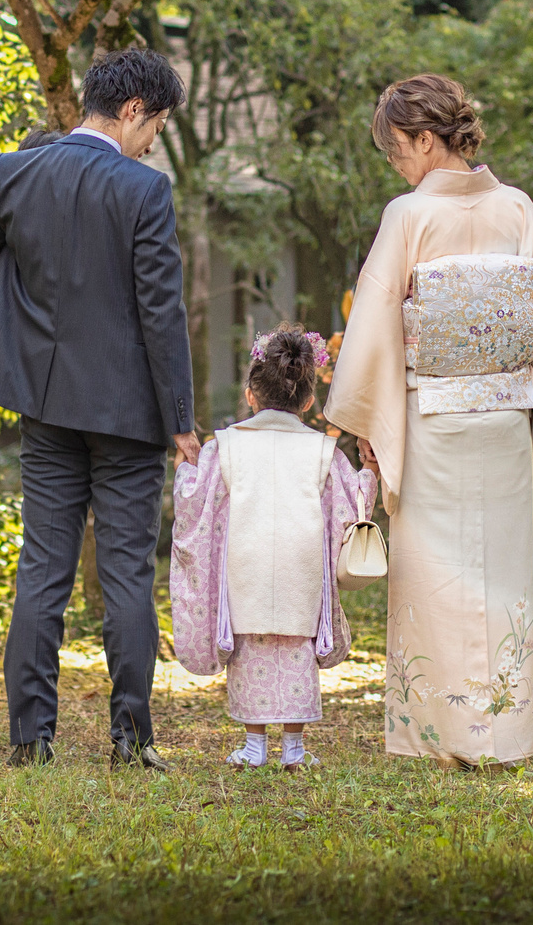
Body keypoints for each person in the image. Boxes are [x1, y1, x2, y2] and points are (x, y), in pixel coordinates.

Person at [323, 74, 533, 768]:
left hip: (432, 419)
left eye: (399, 151)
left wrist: (369, 427)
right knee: (499, 575)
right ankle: (503, 734)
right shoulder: (519, 208)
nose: (400, 166)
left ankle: (439, 737)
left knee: (435, 576)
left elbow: (377, 329)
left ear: (423, 137)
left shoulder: (409, 215)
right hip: (502, 418)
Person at [0, 48, 199, 770]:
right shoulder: (145, 191)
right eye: (155, 123)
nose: (153, 139)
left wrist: (35, 272)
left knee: (43, 566)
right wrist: (178, 418)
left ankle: (31, 737)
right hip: (126, 411)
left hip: (44, 404)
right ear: (131, 110)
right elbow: (162, 313)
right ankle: (131, 737)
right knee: (126, 571)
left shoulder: (14, 171)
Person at [170, 325, 377, 769]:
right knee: (296, 648)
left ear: (250, 395)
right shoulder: (323, 451)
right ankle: (296, 748)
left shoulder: (224, 446)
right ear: (306, 401)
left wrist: (183, 471)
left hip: (245, 564)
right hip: (301, 568)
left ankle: (254, 745)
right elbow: (349, 507)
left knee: (252, 650)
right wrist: (370, 471)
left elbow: (195, 501)